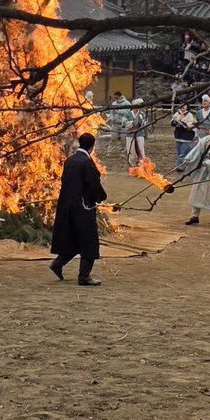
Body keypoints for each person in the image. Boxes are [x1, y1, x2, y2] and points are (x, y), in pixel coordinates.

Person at [50, 131, 109, 286]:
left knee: (73, 238)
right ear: (92, 146)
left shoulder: (69, 160)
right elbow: (93, 184)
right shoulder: (86, 162)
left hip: (66, 206)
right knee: (89, 241)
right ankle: (84, 277)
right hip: (82, 207)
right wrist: (102, 198)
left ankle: (58, 263)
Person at [123, 99, 149, 166]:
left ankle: (141, 165)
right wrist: (132, 123)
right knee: (131, 151)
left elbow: (145, 123)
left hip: (140, 134)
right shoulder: (127, 114)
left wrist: (141, 122)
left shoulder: (142, 114)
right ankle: (132, 165)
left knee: (141, 150)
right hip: (130, 135)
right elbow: (124, 123)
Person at [171, 103, 196, 169]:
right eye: (182, 105)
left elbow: (189, 125)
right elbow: (172, 122)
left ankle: (180, 167)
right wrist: (175, 122)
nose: (183, 106)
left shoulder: (190, 115)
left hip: (186, 136)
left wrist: (182, 123)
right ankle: (183, 165)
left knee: (183, 153)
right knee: (179, 153)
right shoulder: (177, 113)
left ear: (187, 107)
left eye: (185, 105)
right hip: (178, 136)